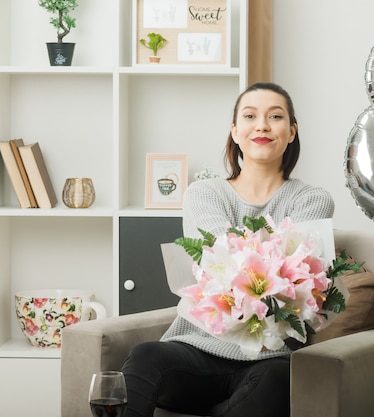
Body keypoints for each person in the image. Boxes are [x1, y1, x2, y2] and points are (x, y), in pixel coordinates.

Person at [121, 82, 334, 417]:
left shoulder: (312, 200)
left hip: (269, 358)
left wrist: (258, 271)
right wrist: (274, 265)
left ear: (291, 132)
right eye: (250, 116)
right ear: (235, 132)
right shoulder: (203, 193)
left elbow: (298, 287)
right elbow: (226, 264)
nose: (262, 125)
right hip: (197, 350)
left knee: (281, 379)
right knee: (146, 355)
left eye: (275, 116)